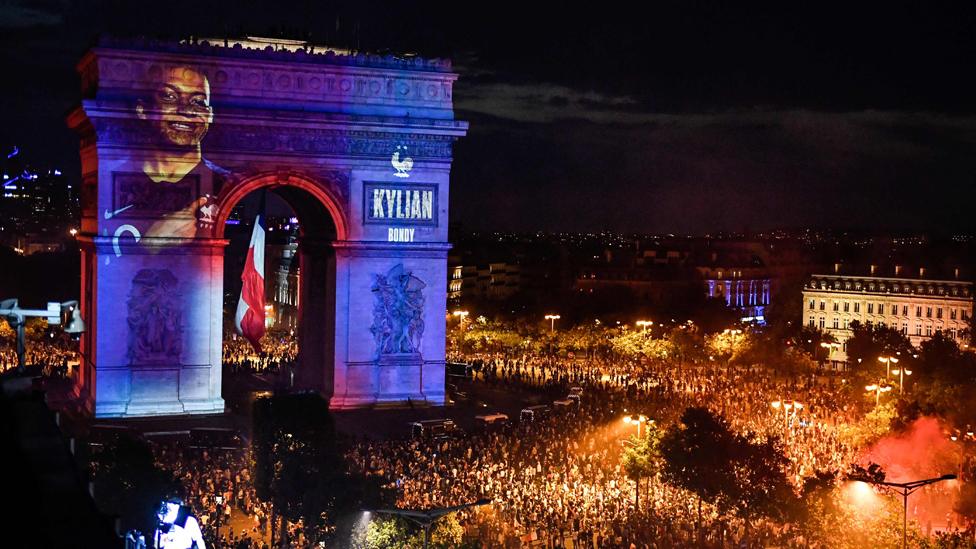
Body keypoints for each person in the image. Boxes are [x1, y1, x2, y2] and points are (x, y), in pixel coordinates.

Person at [112, 65, 229, 240]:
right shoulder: (115, 181)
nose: (186, 110)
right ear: (142, 110)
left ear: (210, 115)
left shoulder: (226, 185)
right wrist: (152, 244)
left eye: (198, 101)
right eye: (169, 97)